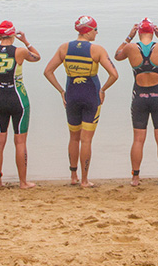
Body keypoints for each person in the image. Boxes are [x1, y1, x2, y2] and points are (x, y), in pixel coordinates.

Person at [43, 15, 119, 188]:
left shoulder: (64, 48)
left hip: (72, 94)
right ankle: (85, 180)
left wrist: (61, 91)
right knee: (86, 140)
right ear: (88, 31)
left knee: (73, 138)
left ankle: (73, 176)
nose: (97, 32)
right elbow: (114, 75)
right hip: (91, 95)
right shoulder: (97, 50)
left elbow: (48, 71)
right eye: (95, 29)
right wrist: (103, 89)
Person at [115, 18, 158, 186]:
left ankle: (135, 178)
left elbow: (117, 55)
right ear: (152, 32)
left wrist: (128, 37)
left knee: (138, 139)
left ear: (139, 32)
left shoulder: (130, 48)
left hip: (139, 97)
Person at [0, 21, 40, 188]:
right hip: (17, 98)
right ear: (12, 35)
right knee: (20, 141)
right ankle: (23, 182)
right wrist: (26, 41)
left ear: (0, 34)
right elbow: (37, 57)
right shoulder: (20, 51)